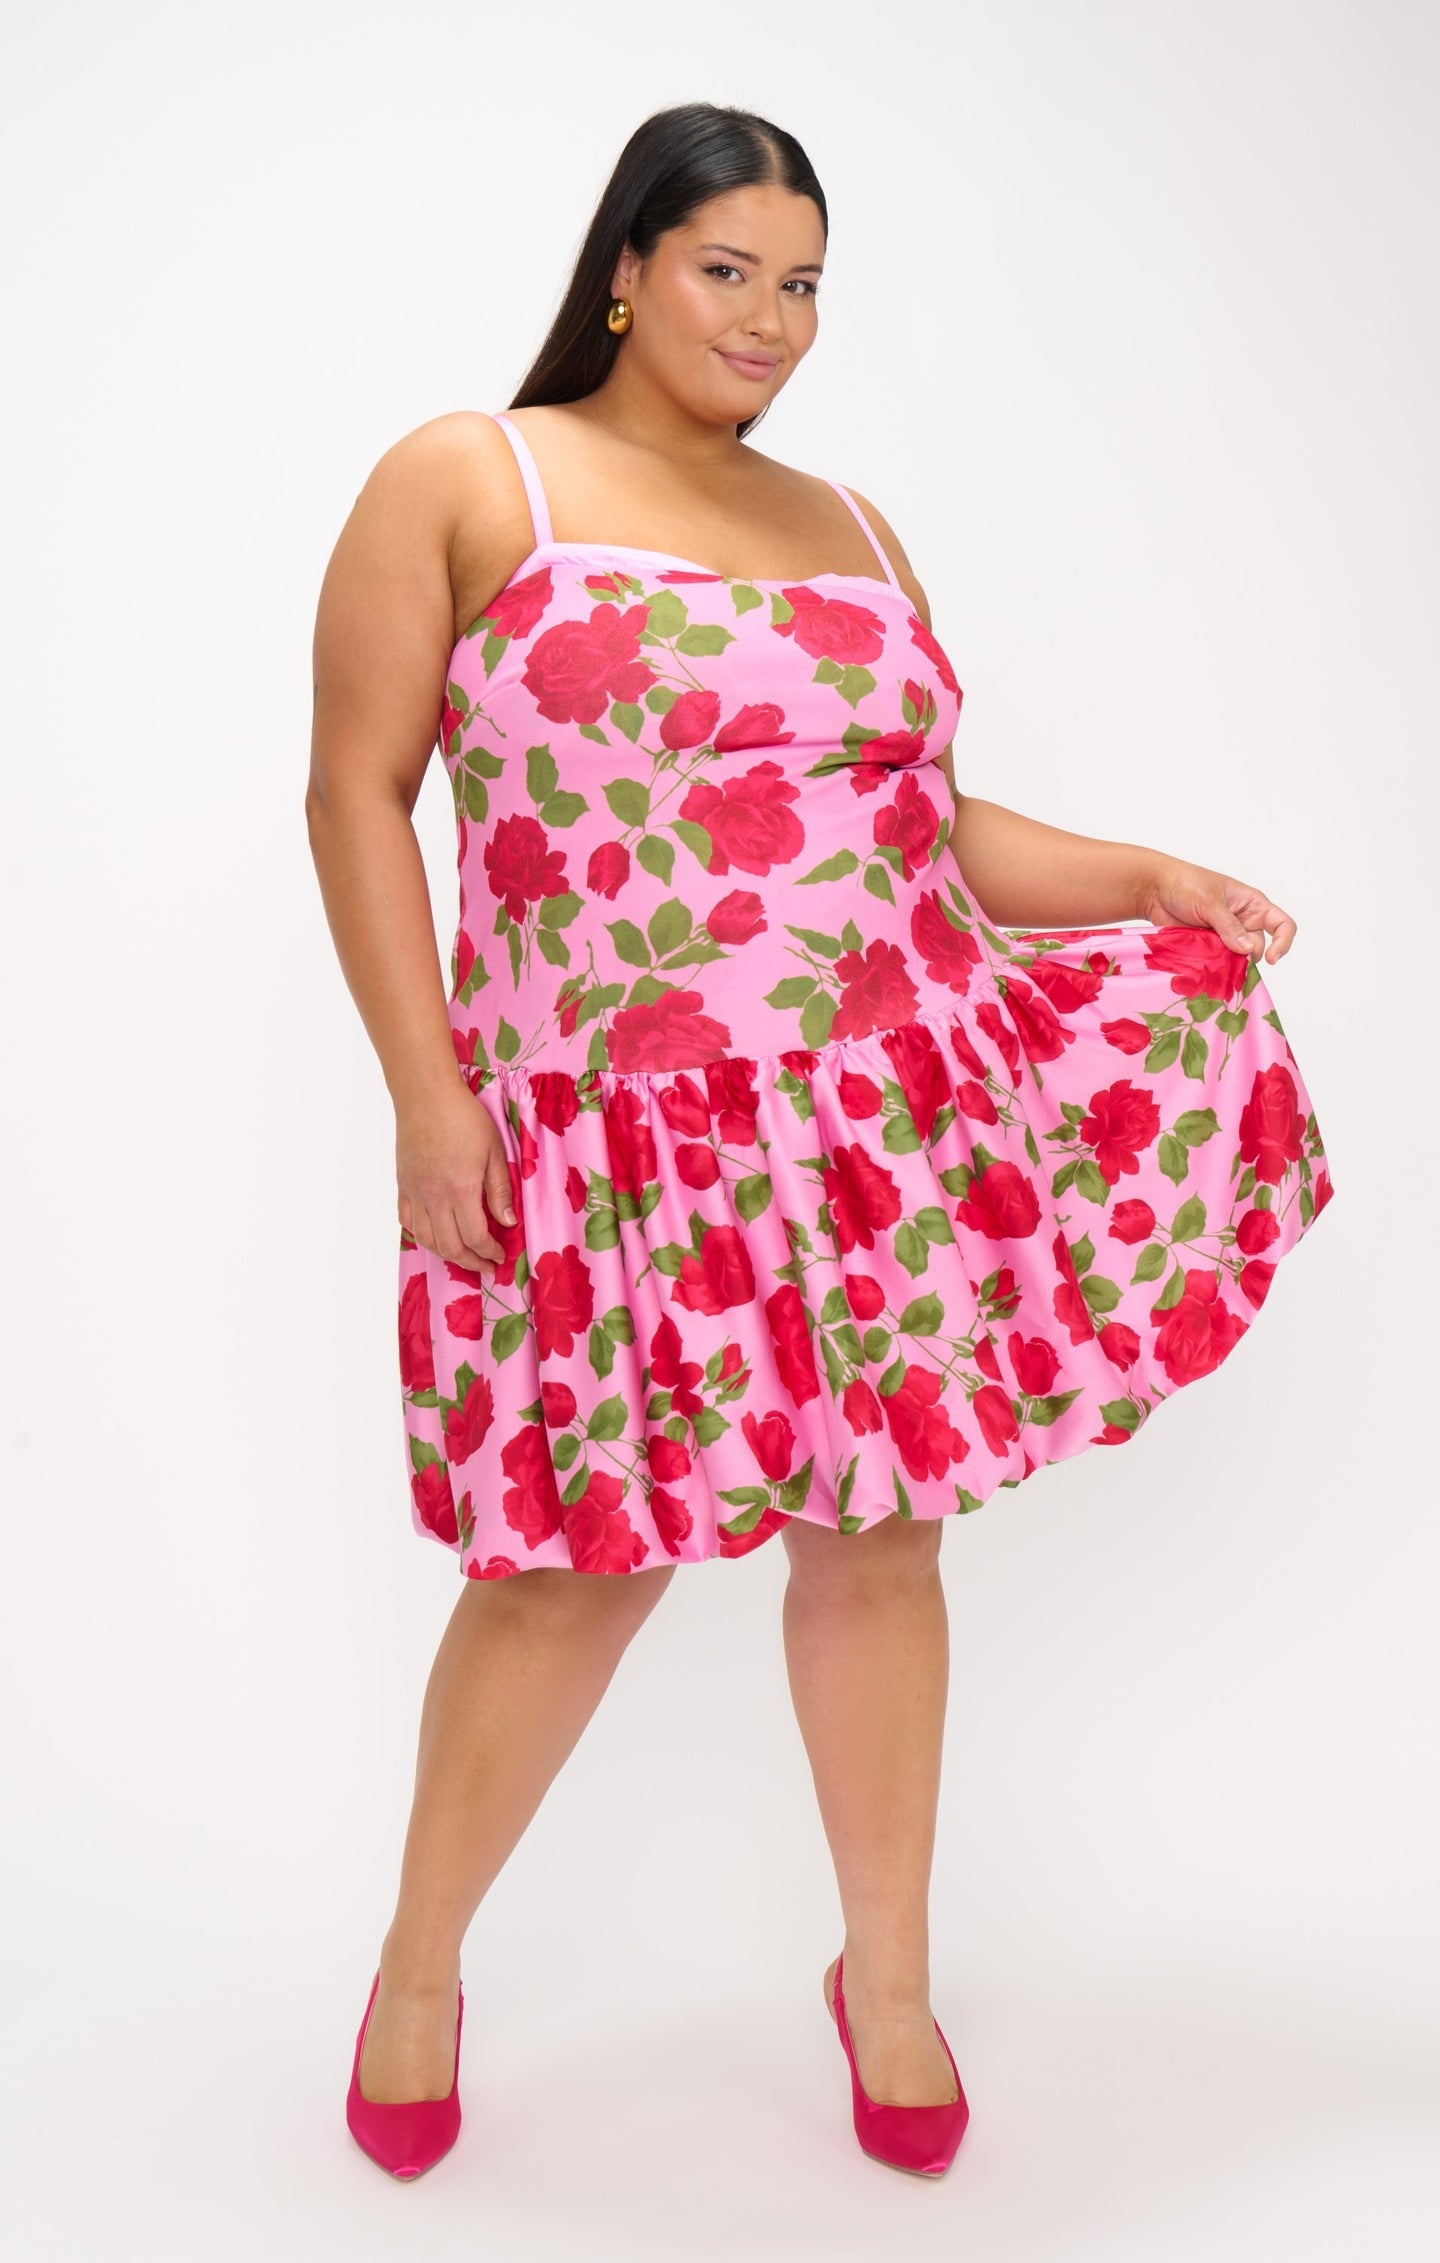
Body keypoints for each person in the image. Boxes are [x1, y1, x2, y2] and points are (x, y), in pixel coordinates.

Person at [306, 101, 1334, 2183]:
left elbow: (921, 832)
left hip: (876, 1120)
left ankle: (886, 1978)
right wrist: (426, 1090)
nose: (769, 320)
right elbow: (354, 792)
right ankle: (419, 1966)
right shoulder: (472, 476)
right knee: (566, 1567)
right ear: (625, 269)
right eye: (727, 271)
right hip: (614, 1140)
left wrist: (1143, 875)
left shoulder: (854, 523)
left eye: (802, 286)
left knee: (879, 1545)